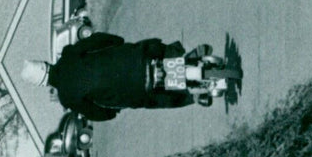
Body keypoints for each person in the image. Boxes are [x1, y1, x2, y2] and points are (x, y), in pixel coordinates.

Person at [22, 35, 204, 120]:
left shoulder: (67, 98)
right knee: (153, 49)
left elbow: (94, 113)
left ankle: (193, 97)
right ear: (46, 64)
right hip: (133, 60)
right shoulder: (69, 55)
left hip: (134, 90)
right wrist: (117, 42)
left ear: (43, 84)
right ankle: (185, 58)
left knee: (153, 100)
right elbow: (97, 40)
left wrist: (110, 113)